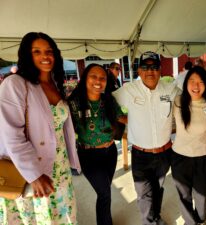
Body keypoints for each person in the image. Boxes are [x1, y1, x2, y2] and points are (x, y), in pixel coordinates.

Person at [0, 32, 81, 224]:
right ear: (27, 55)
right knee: (38, 218)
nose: (45, 56)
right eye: (37, 51)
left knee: (63, 216)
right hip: (29, 171)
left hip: (59, 168)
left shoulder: (54, 83)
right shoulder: (15, 84)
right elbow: (11, 134)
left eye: (49, 51)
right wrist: (34, 175)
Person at [113, 51, 180, 225]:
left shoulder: (170, 89)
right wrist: (123, 119)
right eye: (145, 67)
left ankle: (156, 217)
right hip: (141, 155)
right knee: (144, 195)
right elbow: (107, 102)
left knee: (158, 188)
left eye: (154, 67)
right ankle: (149, 222)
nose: (150, 71)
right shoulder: (129, 90)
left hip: (165, 153)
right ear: (139, 71)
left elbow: (189, 100)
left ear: (160, 70)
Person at [68, 63, 126, 225]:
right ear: (85, 77)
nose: (98, 81)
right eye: (93, 76)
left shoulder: (108, 100)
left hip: (110, 152)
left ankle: (106, 219)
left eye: (102, 78)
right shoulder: (73, 103)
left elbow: (121, 117)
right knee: (105, 192)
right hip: (88, 155)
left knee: (105, 191)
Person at [171, 66, 206, 225]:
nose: (196, 86)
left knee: (202, 194)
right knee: (183, 194)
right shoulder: (177, 101)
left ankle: (201, 219)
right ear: (185, 84)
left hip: (203, 157)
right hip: (179, 156)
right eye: (192, 81)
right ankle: (190, 222)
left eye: (200, 82)